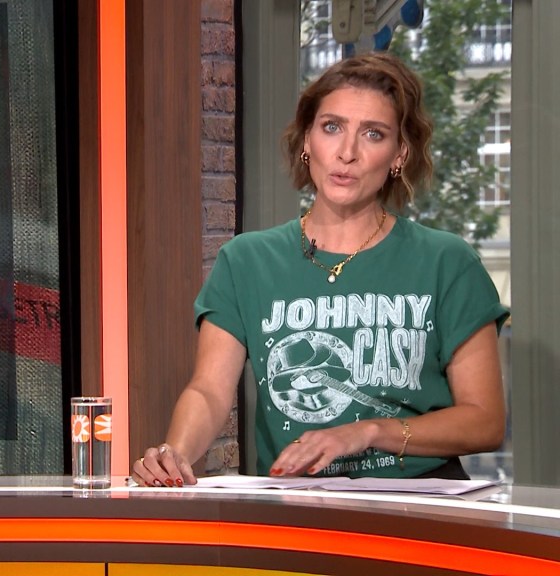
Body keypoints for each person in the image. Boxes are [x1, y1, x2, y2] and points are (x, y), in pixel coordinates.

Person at [132, 52, 508, 486]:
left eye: (373, 134)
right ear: (307, 141)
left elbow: (485, 420)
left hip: (418, 503)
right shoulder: (246, 261)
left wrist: (368, 432)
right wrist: (174, 455)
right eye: (332, 127)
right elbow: (209, 391)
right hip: (296, 505)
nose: (347, 153)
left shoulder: (447, 262)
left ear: (399, 154)